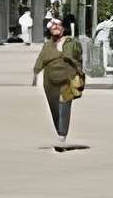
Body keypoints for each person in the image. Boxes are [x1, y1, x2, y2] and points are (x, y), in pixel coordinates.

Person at [34, 14, 88, 146]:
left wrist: (78, 72)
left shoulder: (72, 42)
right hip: (50, 81)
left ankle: (62, 134)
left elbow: (78, 58)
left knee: (64, 106)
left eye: (58, 25)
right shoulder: (47, 45)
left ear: (64, 28)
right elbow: (41, 60)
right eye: (53, 26)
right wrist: (35, 74)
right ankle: (59, 130)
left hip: (67, 79)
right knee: (54, 108)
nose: (56, 27)